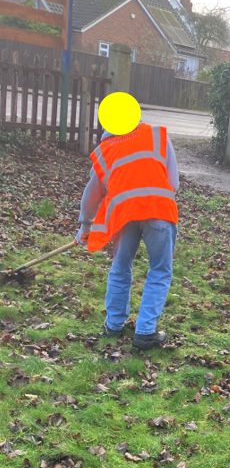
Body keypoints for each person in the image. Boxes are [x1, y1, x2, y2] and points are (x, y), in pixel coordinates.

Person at [75, 120, 179, 349]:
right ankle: (145, 332)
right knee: (160, 270)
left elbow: (92, 194)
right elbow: (173, 183)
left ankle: (113, 325)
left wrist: (85, 226)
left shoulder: (105, 150)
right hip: (158, 210)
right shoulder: (156, 135)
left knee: (121, 267)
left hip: (124, 216)